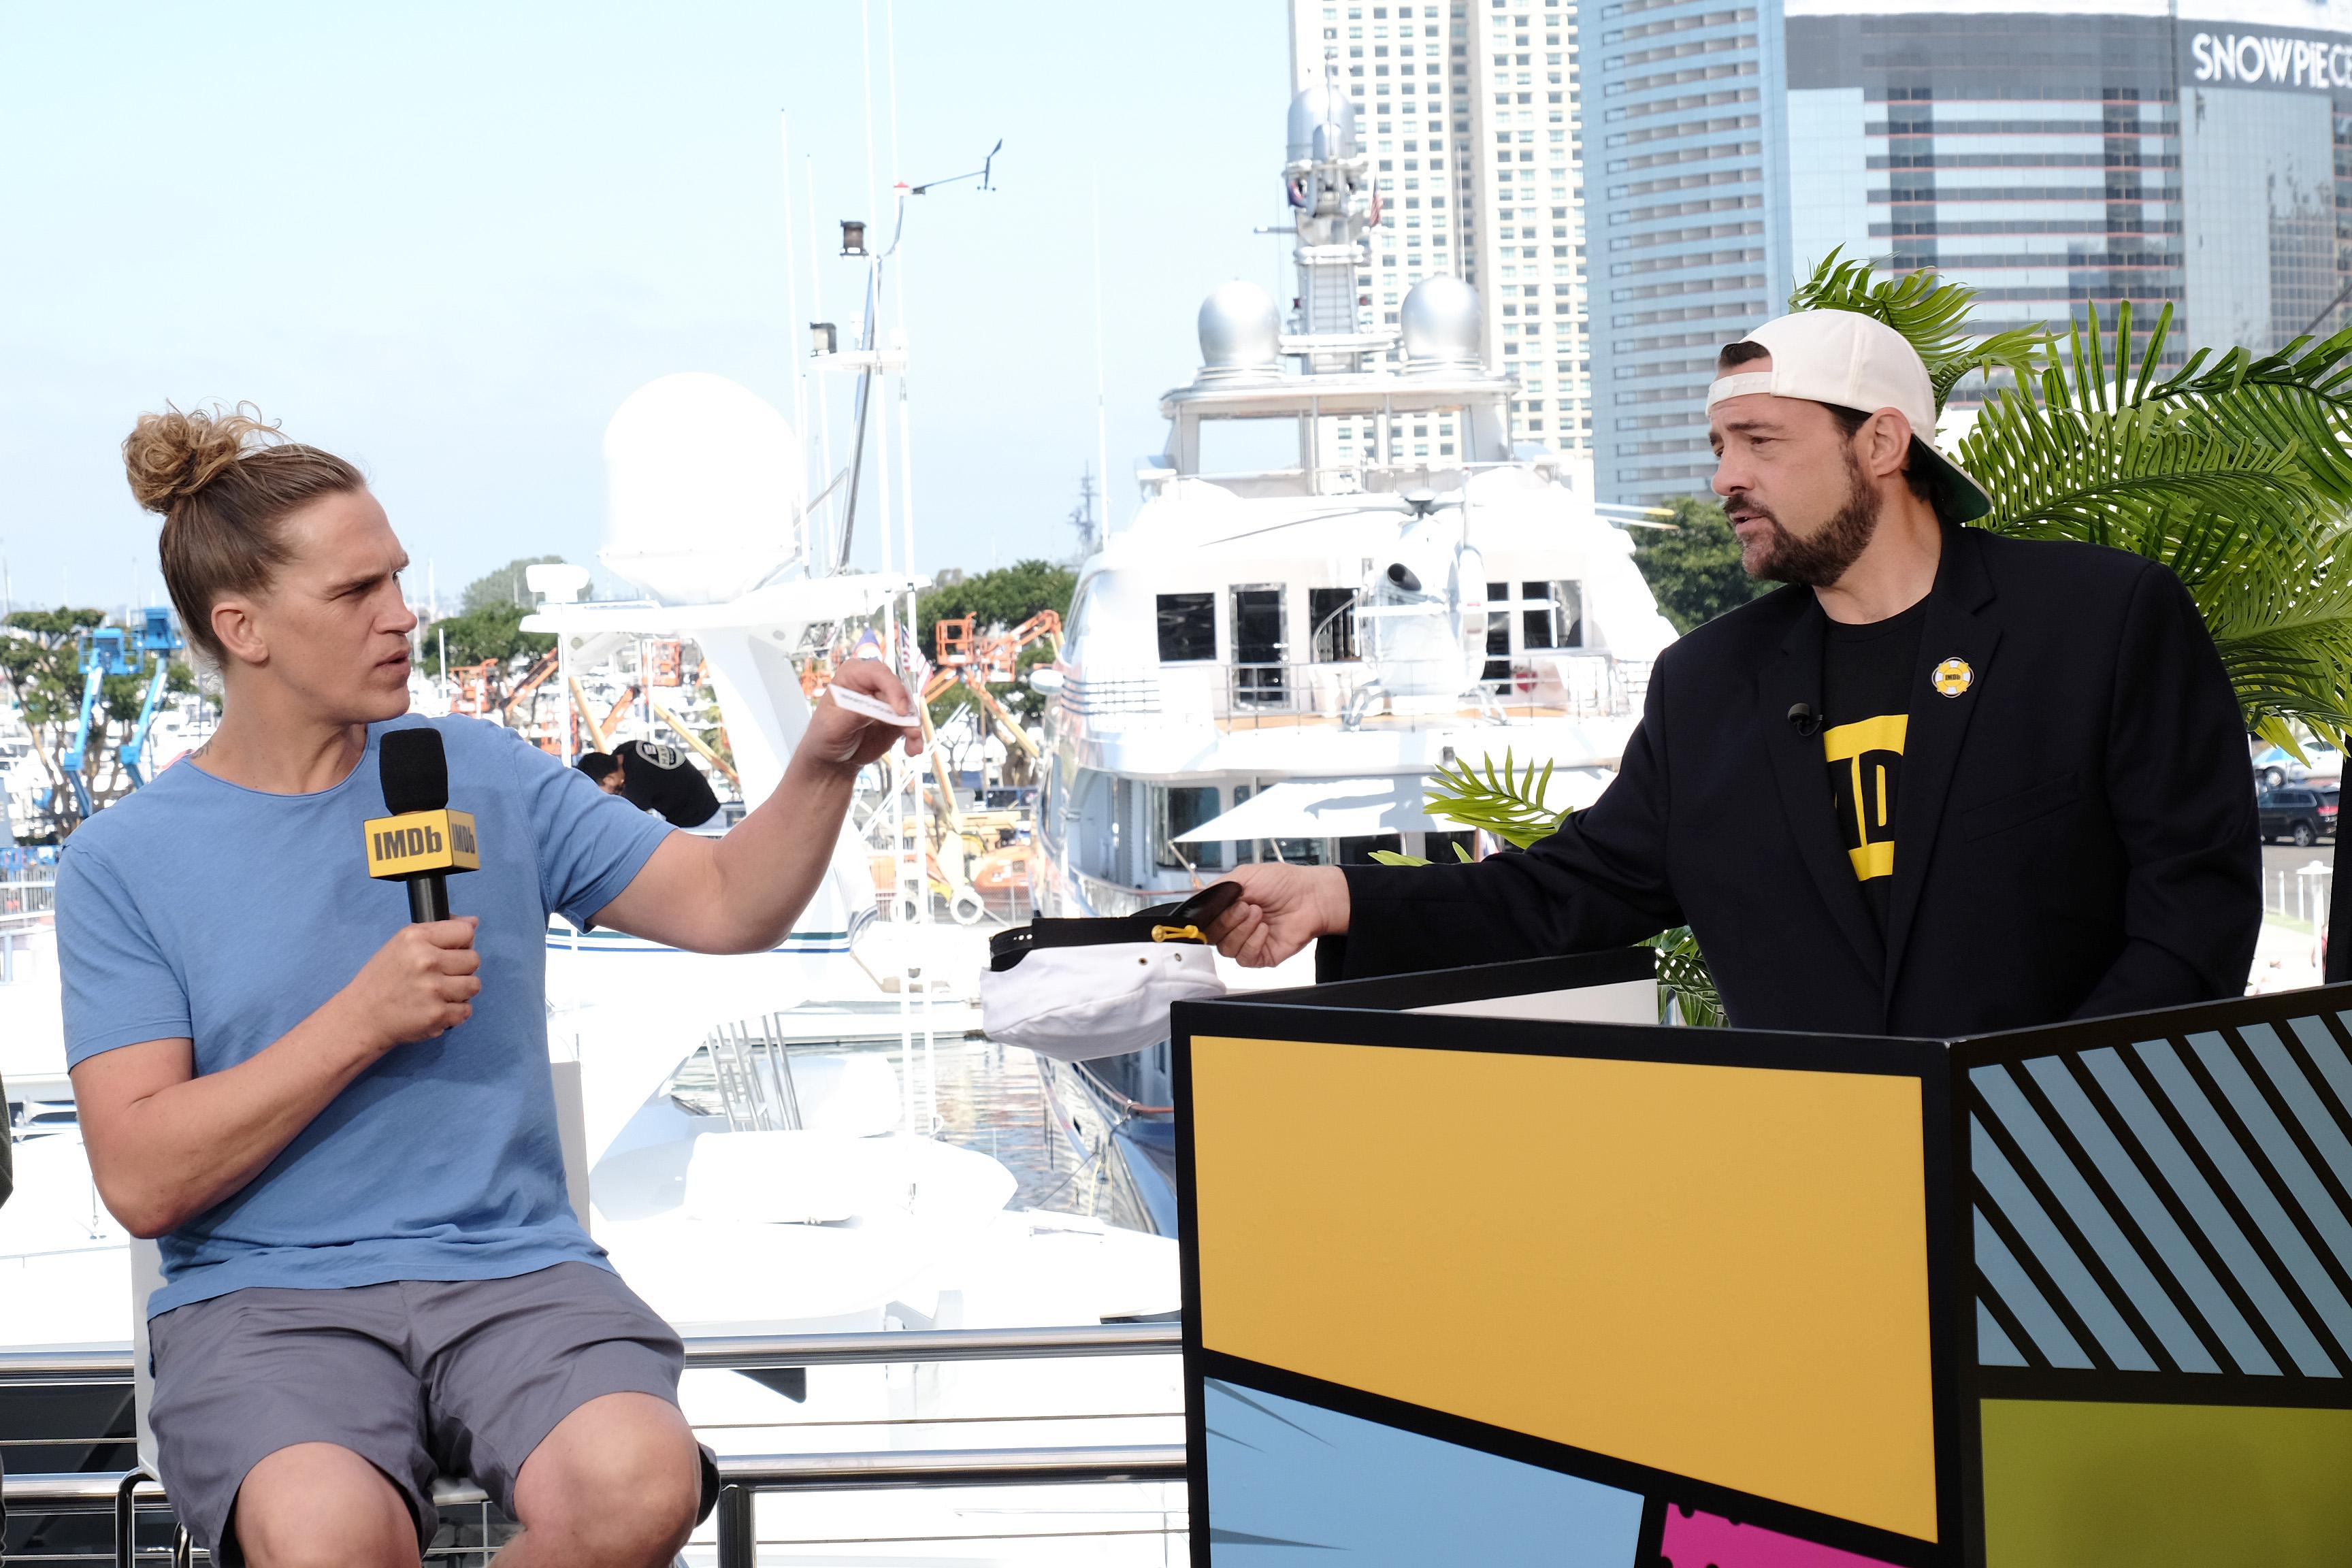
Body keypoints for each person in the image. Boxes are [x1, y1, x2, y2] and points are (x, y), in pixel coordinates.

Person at [59, 404, 921, 1568]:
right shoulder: (124, 861)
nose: (403, 617)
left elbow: (725, 903)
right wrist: (360, 1023)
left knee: (641, 1481)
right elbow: (142, 1177)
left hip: (511, 1271)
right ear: (243, 628)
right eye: (357, 591)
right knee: (325, 1540)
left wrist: (822, 765)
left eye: (400, 580)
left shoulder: (486, 774)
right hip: (268, 1303)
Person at [1207, 309, 2260, 1036]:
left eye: (1759, 440)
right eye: (1718, 445)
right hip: (1817, 1206)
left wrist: (2044, 1115)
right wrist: (1337, 895)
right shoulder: (1708, 685)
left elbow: (2193, 921)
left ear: (1882, 443)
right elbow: (1569, 894)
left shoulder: (2101, 620)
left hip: (2081, 1196)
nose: (1725, 479)